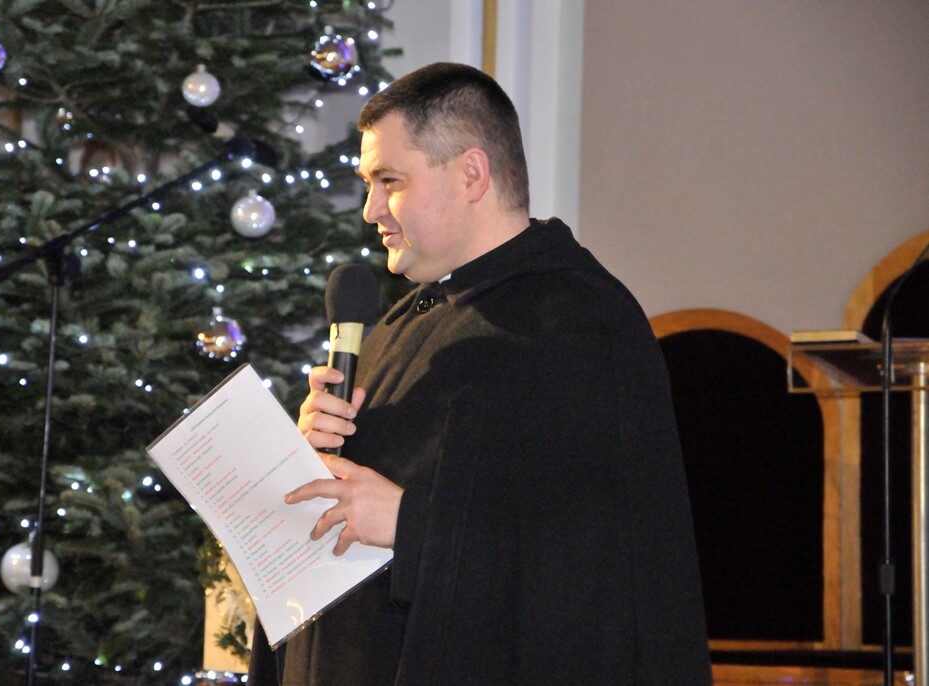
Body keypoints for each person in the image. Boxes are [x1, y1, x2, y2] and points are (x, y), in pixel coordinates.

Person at [247, 61, 712, 685]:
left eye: (389, 181)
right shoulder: (403, 324)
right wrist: (314, 454)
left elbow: (599, 568)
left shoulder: (576, 322)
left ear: (471, 173)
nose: (371, 210)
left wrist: (408, 524)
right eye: (368, 184)